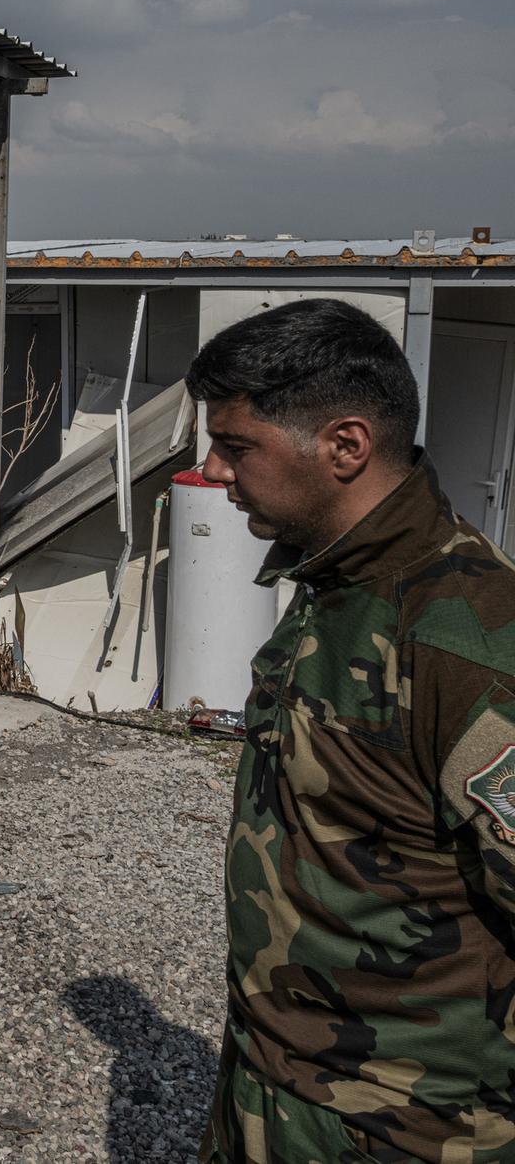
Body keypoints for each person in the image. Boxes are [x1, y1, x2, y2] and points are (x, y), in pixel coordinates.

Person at [189, 297, 515, 1162]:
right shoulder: (338, 584)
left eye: (236, 446)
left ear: (345, 446)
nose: (213, 471)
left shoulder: (469, 641)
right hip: (274, 1082)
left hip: (402, 1125)